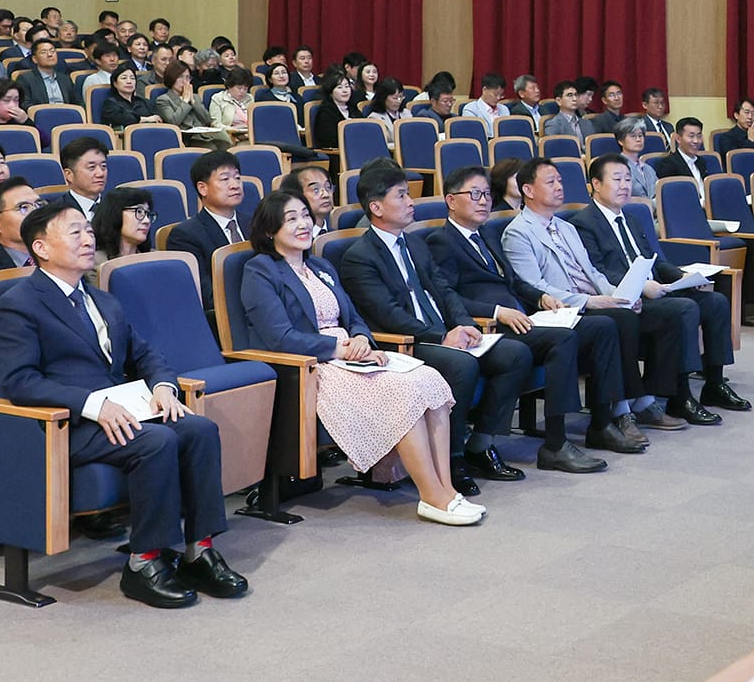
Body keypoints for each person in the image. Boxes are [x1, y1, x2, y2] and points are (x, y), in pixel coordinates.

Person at [0, 204, 249, 607]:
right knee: (157, 441)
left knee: (199, 429)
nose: (87, 239)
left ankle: (199, 550)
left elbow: (144, 354)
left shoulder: (102, 299)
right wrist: (93, 405)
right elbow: (20, 381)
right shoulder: (18, 303)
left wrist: (163, 386)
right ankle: (144, 562)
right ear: (40, 247)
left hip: (123, 412)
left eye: (88, 231)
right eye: (74, 232)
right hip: (68, 424)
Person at [239, 192, 482, 525]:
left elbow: (353, 317)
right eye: (291, 218)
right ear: (270, 230)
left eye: (305, 215)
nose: (303, 224)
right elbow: (280, 337)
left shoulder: (320, 266)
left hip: (353, 355)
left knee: (429, 379)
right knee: (403, 392)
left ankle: (447, 490)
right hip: (313, 366)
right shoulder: (260, 270)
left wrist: (361, 339)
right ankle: (431, 496)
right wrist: (339, 349)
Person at [337, 159, 537, 494]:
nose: (410, 202)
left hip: (441, 332)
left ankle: (480, 443)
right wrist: (442, 336)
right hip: (406, 342)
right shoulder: (360, 256)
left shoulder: (415, 243)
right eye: (401, 196)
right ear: (376, 207)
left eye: (408, 194)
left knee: (515, 354)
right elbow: (387, 314)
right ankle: (452, 459)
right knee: (462, 365)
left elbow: (444, 291)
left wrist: (464, 324)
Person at [424, 164, 623, 469]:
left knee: (602, 326)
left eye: (487, 194)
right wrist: (497, 312)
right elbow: (447, 296)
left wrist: (540, 297)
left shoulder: (487, 233)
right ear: (451, 200)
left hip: (522, 316)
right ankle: (555, 443)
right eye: (475, 194)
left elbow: (514, 282)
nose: (484, 201)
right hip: (490, 326)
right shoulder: (442, 241)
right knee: (563, 339)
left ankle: (603, 422)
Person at [502, 158, 693, 441]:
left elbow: (592, 273)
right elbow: (534, 287)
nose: (559, 187)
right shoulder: (518, 232)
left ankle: (651, 397)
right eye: (551, 182)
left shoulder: (565, 227)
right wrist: (591, 302)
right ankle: (623, 407)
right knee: (620, 319)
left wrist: (619, 295)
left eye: (560, 181)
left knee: (667, 313)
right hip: (563, 310)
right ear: (528, 190)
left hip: (594, 300)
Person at [569, 154, 748, 420]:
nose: (624, 186)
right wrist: (643, 286)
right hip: (626, 300)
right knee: (684, 309)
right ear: (596, 184)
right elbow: (599, 271)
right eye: (617, 179)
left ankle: (714, 383)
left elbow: (656, 260)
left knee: (716, 302)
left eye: (627, 179)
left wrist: (683, 276)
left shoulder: (631, 218)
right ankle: (680, 395)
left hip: (655, 289)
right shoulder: (583, 222)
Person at [164, 150, 252, 309]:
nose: (235, 185)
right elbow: (206, 297)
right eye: (225, 179)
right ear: (202, 188)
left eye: (237, 177)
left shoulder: (254, 224)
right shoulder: (185, 236)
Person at [154, 61, 231, 148]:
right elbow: (173, 122)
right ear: (171, 78)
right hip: (185, 138)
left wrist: (193, 102)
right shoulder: (164, 100)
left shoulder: (195, 97)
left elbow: (207, 120)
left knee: (225, 141)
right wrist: (185, 101)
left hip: (202, 135)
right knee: (211, 148)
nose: (185, 81)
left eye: (187, 77)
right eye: (180, 77)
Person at [91, 186, 157, 263]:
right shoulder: (94, 262)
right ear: (115, 214)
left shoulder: (156, 260)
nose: (147, 221)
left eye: (147, 214)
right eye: (139, 211)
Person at [12, 38, 80, 109]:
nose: (50, 55)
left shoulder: (65, 79)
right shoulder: (25, 79)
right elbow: (25, 104)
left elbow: (77, 102)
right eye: (44, 52)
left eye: (52, 51)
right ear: (34, 59)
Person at [276, 164, 337, 240]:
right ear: (296, 195)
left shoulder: (338, 237)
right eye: (315, 190)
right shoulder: (290, 241)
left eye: (328, 187)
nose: (326, 194)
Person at [99, 65, 162, 132]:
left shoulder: (144, 102)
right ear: (115, 83)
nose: (129, 81)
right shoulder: (110, 104)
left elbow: (157, 118)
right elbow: (125, 119)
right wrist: (146, 119)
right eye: (124, 78)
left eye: (132, 78)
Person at [59, 138, 110, 221]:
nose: (100, 173)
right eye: (91, 167)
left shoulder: (115, 210)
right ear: (69, 174)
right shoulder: (56, 214)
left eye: (103, 166)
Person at [655, 117, 716, 182]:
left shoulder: (701, 162)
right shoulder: (667, 165)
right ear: (678, 138)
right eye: (691, 136)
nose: (696, 141)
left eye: (699, 136)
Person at [310, 72, 358, 152]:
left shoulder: (353, 108)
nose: (345, 90)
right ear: (331, 92)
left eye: (347, 86)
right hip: (336, 153)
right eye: (339, 87)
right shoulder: (326, 112)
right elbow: (328, 141)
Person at [615, 116, 660, 200]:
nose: (638, 139)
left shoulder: (648, 169)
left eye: (640, 135)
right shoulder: (616, 166)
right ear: (620, 141)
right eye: (633, 136)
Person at [208, 68, 258, 143]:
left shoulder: (249, 98)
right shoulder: (218, 98)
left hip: (250, 133)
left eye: (245, 88)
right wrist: (234, 130)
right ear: (229, 86)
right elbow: (215, 124)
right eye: (239, 88)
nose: (242, 91)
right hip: (229, 135)